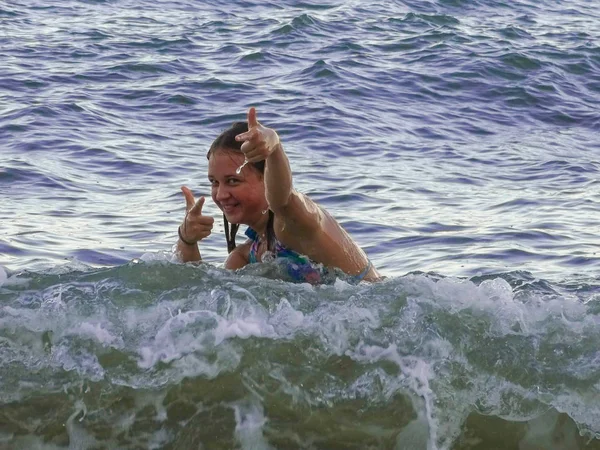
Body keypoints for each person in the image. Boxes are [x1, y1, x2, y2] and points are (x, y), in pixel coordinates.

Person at [176, 107, 381, 284]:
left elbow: (282, 200)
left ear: (267, 177)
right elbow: (200, 292)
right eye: (214, 182)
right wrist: (187, 241)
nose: (220, 195)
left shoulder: (299, 220)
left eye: (233, 181)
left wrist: (274, 148)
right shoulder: (244, 257)